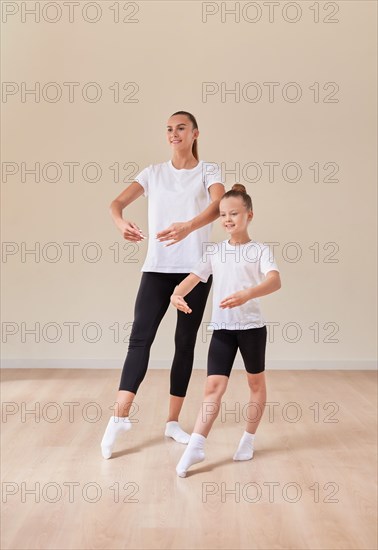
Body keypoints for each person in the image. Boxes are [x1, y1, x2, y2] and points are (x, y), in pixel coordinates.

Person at [100, 111, 225, 459]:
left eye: (181, 128)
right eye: (169, 129)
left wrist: (188, 226)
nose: (174, 134)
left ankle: (172, 422)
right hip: (157, 269)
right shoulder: (152, 174)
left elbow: (219, 205)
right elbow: (116, 202)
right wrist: (119, 221)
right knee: (139, 338)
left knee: (184, 344)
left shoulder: (208, 171)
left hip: (194, 273)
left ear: (195, 133)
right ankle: (119, 416)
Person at [170, 183, 281, 477]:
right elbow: (195, 277)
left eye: (234, 213)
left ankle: (248, 439)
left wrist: (248, 294)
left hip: (251, 329)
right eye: (222, 214)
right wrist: (176, 293)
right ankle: (196, 445)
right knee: (212, 388)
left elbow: (274, 281)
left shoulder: (259, 250)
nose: (228, 219)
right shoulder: (215, 251)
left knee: (255, 385)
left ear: (249, 215)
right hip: (222, 329)